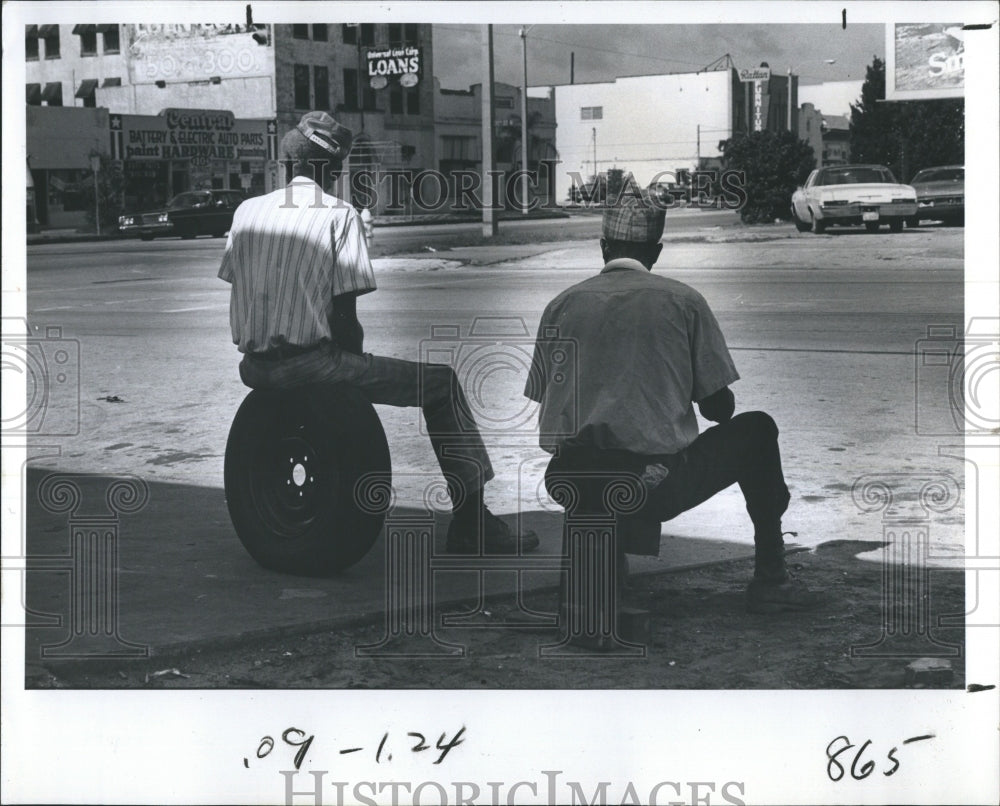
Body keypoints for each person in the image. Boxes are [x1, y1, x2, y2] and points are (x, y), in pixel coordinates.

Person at [219, 110, 538, 555]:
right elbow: (345, 317)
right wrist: (351, 383)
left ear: (288, 162)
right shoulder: (339, 214)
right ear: (333, 169)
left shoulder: (246, 212)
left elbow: (239, 285)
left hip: (254, 369)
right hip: (314, 366)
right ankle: (472, 521)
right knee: (441, 384)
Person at [524, 191, 818, 612]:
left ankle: (607, 572)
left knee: (605, 449)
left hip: (570, 478)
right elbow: (720, 409)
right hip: (651, 486)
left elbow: (543, 395)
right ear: (656, 252)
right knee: (758, 429)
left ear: (604, 247)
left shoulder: (561, 304)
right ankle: (771, 580)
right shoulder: (682, 300)